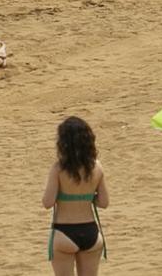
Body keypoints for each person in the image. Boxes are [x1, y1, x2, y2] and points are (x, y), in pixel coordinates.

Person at [44, 115, 109, 274]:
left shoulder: (58, 168)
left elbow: (48, 202)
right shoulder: (97, 167)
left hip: (64, 231)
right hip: (91, 232)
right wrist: (86, 196)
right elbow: (103, 202)